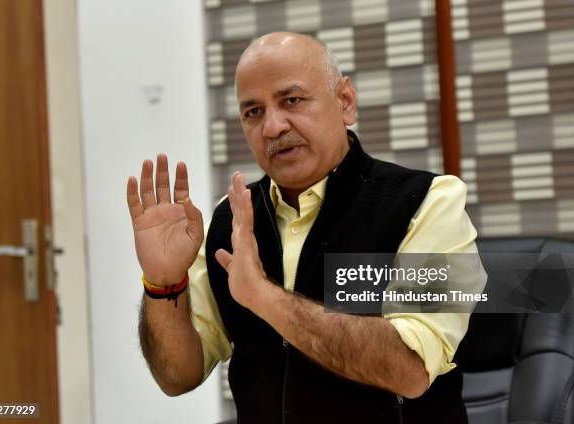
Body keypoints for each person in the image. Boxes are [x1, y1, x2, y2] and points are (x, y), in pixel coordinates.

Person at [126, 32, 486, 423]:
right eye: (253, 112)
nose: (273, 127)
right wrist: (163, 283)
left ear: (345, 102)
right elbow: (178, 375)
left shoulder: (428, 202)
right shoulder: (230, 220)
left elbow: (410, 369)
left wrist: (263, 297)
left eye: (291, 100)